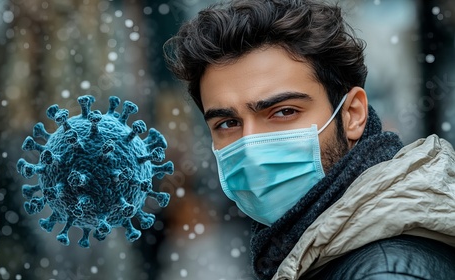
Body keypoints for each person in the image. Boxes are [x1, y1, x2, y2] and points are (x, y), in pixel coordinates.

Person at [164, 0, 455, 279]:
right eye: (228, 123)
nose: (251, 146)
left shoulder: (383, 270)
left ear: (353, 115)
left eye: (284, 111)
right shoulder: (318, 249)